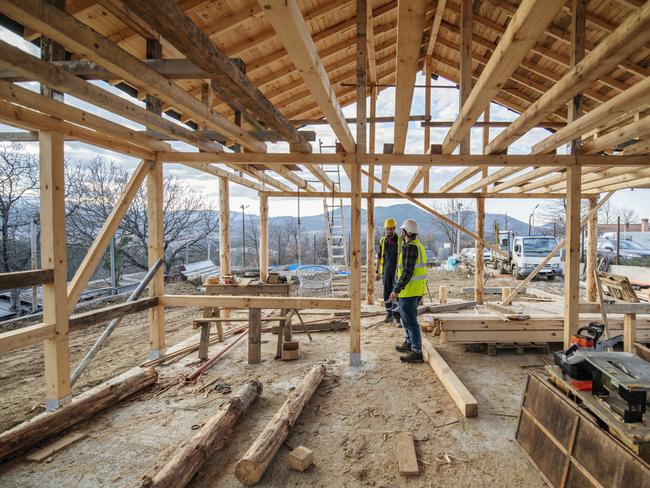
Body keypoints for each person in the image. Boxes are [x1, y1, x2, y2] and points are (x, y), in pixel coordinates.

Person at [390, 219, 427, 363]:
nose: (401, 233)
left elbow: (407, 272)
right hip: (415, 290)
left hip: (409, 291)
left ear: (405, 232)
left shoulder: (410, 248)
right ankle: (409, 343)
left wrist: (396, 290)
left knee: (410, 322)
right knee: (406, 320)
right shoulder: (419, 246)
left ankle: (416, 351)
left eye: (402, 231)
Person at [376, 217, 403, 324]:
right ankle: (389, 314)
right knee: (386, 293)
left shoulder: (400, 240)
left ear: (394, 228)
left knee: (396, 294)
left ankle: (397, 317)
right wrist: (377, 271)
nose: (389, 231)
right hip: (386, 272)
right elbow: (379, 257)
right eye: (387, 229)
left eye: (391, 229)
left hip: (396, 272)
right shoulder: (383, 241)